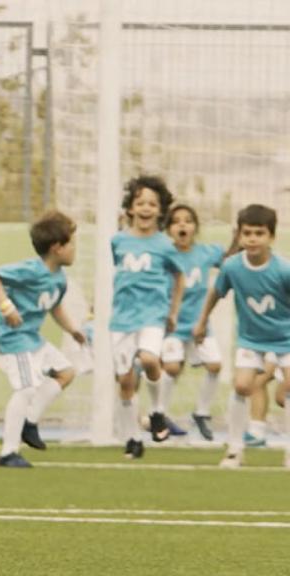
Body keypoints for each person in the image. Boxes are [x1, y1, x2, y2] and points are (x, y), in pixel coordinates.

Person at [0, 211, 84, 468]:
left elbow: (55, 307)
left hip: (32, 338)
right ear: (57, 248)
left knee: (67, 372)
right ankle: (8, 452)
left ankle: (29, 422)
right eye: (71, 243)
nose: (74, 249)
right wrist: (7, 306)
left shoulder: (59, 279)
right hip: (14, 339)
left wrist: (72, 329)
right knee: (26, 389)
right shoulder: (31, 270)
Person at [194, 204, 290, 468]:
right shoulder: (233, 267)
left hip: (285, 338)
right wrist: (202, 322)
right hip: (251, 338)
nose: (252, 239)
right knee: (242, 385)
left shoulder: (283, 270)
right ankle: (235, 448)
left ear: (271, 237)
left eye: (259, 233)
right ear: (238, 235)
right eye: (247, 233)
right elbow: (216, 293)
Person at [110, 176, 184, 458]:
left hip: (153, 316)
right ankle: (132, 439)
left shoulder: (165, 245)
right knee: (126, 381)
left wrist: (172, 312)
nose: (145, 208)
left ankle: (157, 410)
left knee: (150, 359)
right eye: (140, 202)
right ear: (130, 208)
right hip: (121, 320)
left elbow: (179, 277)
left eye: (152, 204)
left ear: (160, 210)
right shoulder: (118, 241)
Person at [158, 204, 229, 441]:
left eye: (188, 220)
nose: (182, 225)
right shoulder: (165, 255)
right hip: (174, 325)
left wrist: (238, 237)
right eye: (176, 221)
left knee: (215, 366)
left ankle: (201, 411)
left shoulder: (206, 253)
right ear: (168, 229)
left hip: (199, 324)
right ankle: (161, 413)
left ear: (195, 227)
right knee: (172, 368)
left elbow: (228, 260)